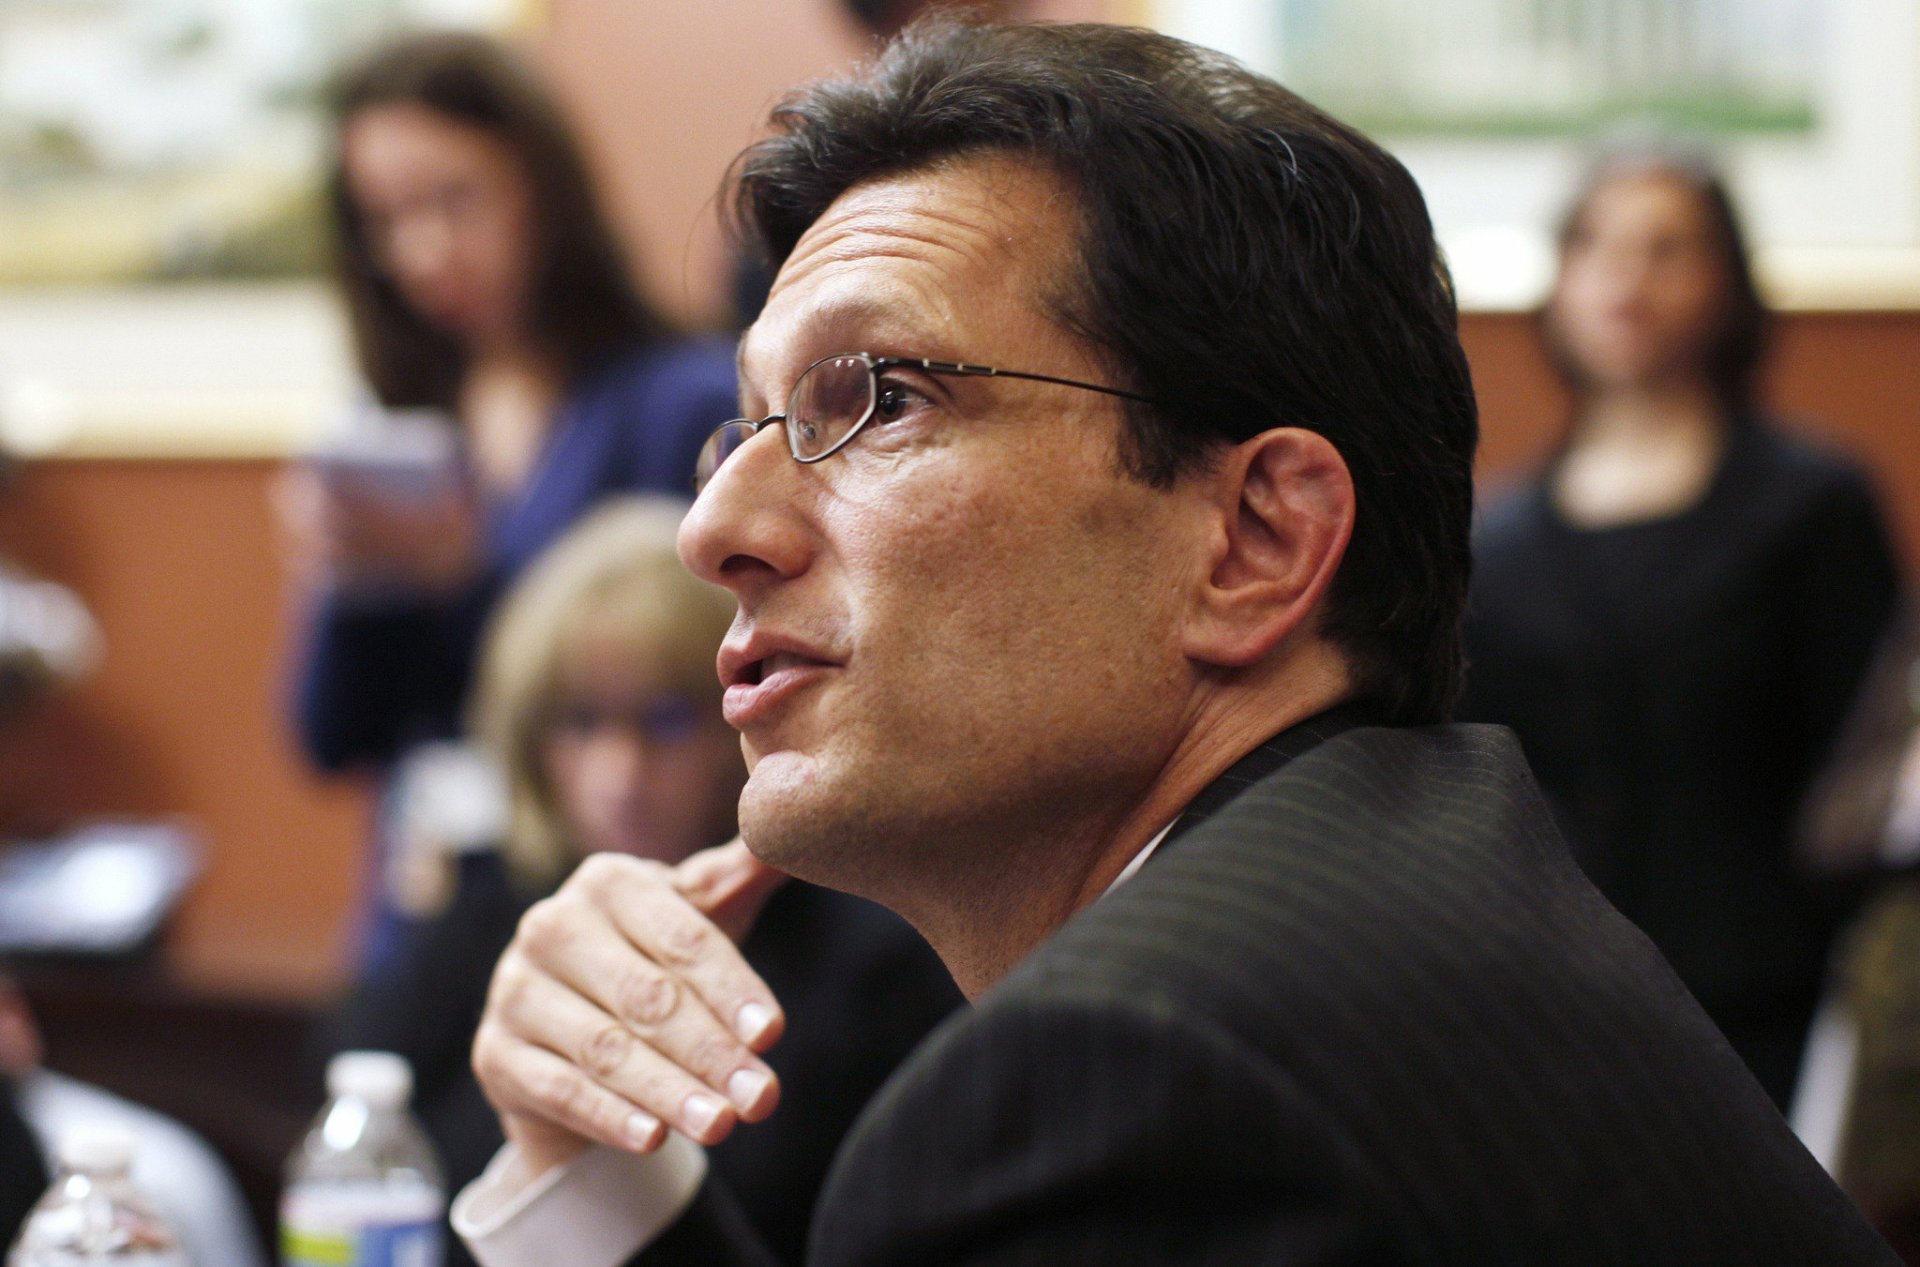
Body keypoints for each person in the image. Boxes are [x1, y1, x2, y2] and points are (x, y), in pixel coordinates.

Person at [453, 19, 1895, 1264]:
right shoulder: (1391, 901)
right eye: (746, 425)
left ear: (1256, 538)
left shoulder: (1138, 1074)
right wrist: (595, 1175)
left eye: (877, 397)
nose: (712, 525)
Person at [328, 498, 959, 1265]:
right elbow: (356, 1156)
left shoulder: (871, 956)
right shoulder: (478, 921)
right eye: (582, 722)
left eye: (663, 720)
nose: (619, 775)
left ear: (744, 712)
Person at [280, 32, 739, 973]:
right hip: (427, 914)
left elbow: (680, 679)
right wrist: (351, 580)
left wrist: (465, 578)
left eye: (454, 200)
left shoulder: (679, 402)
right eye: (385, 219)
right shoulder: (404, 422)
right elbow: (330, 736)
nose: (422, 251)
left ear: (541, 187)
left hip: (619, 909)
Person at [1460, 144, 1903, 1107]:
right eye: (1596, 246)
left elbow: (1863, 771)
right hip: (1553, 1004)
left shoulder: (1813, 507)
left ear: (1728, 281)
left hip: (1773, 1007)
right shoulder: (1496, 538)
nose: (1626, 280)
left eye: (1667, 248)